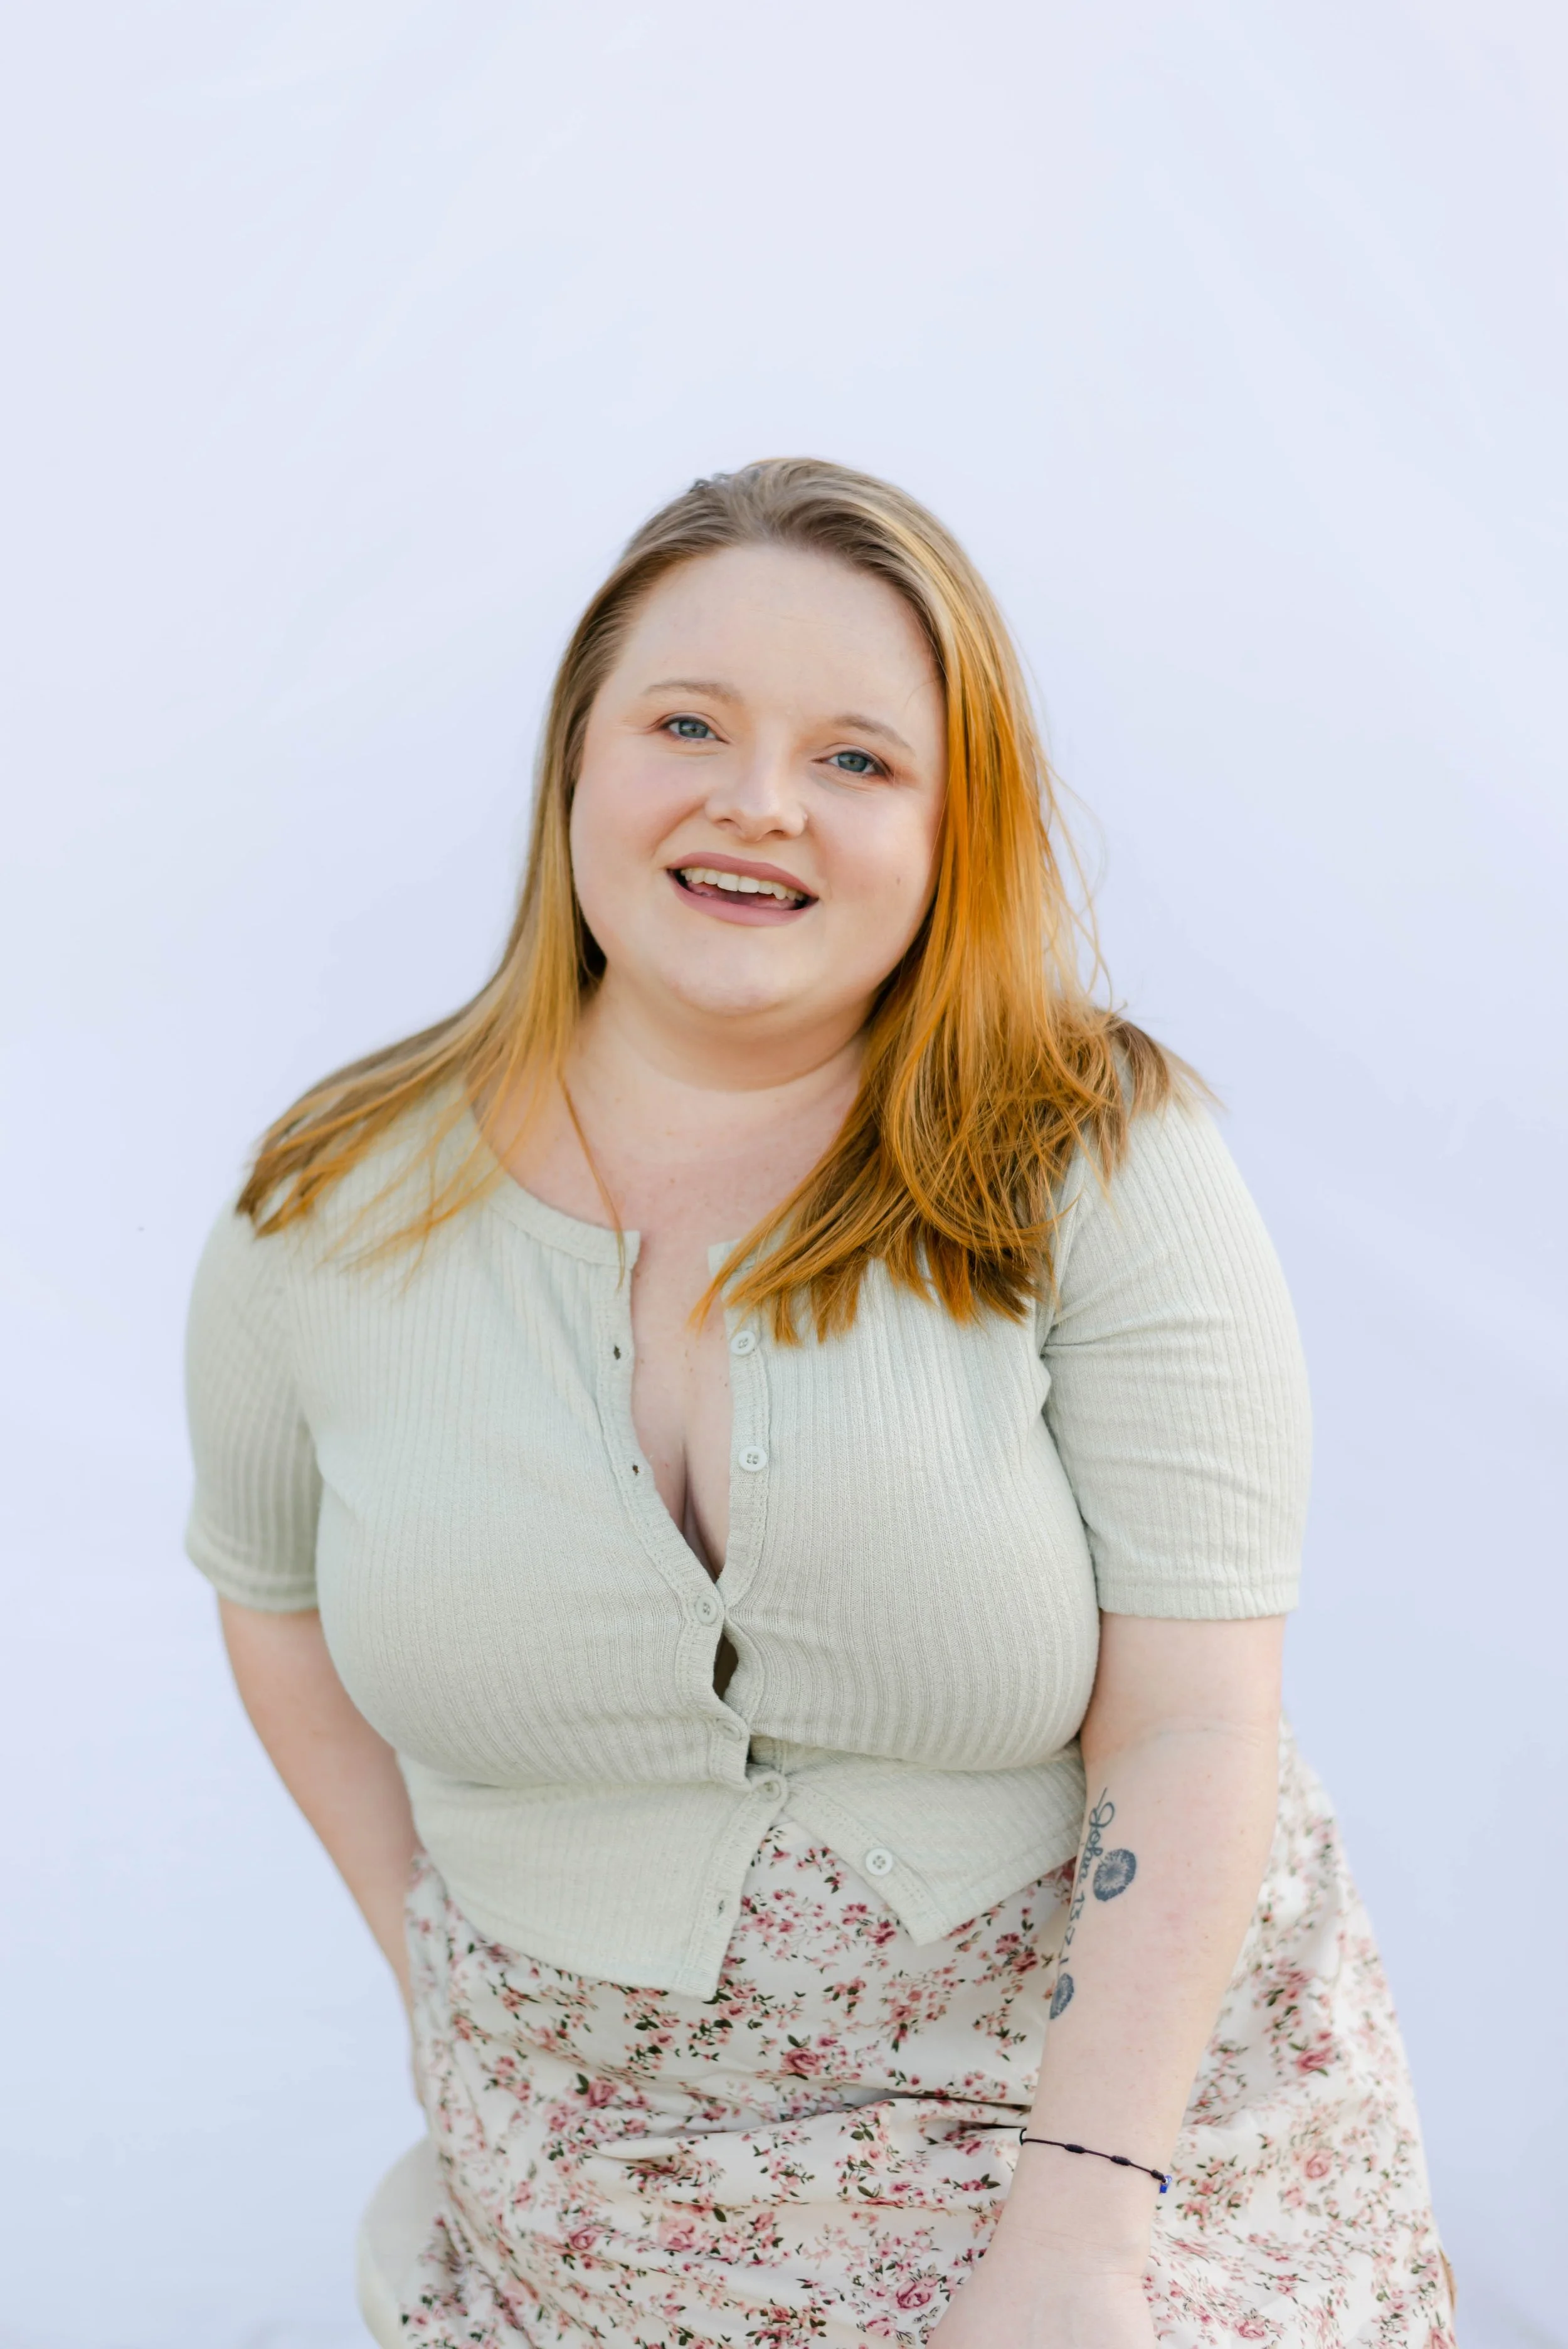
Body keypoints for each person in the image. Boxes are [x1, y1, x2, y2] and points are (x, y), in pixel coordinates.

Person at [184, 459, 1454, 2348]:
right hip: (585, 2150)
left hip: (1114, 2114)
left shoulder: (1091, 1153)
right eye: (685, 723)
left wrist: (1080, 2241)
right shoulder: (326, 1209)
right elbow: (276, 1613)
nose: (756, 801)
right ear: (574, 764)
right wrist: (460, 2001)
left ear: (956, 829)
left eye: (859, 760)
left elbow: (1196, 1718)